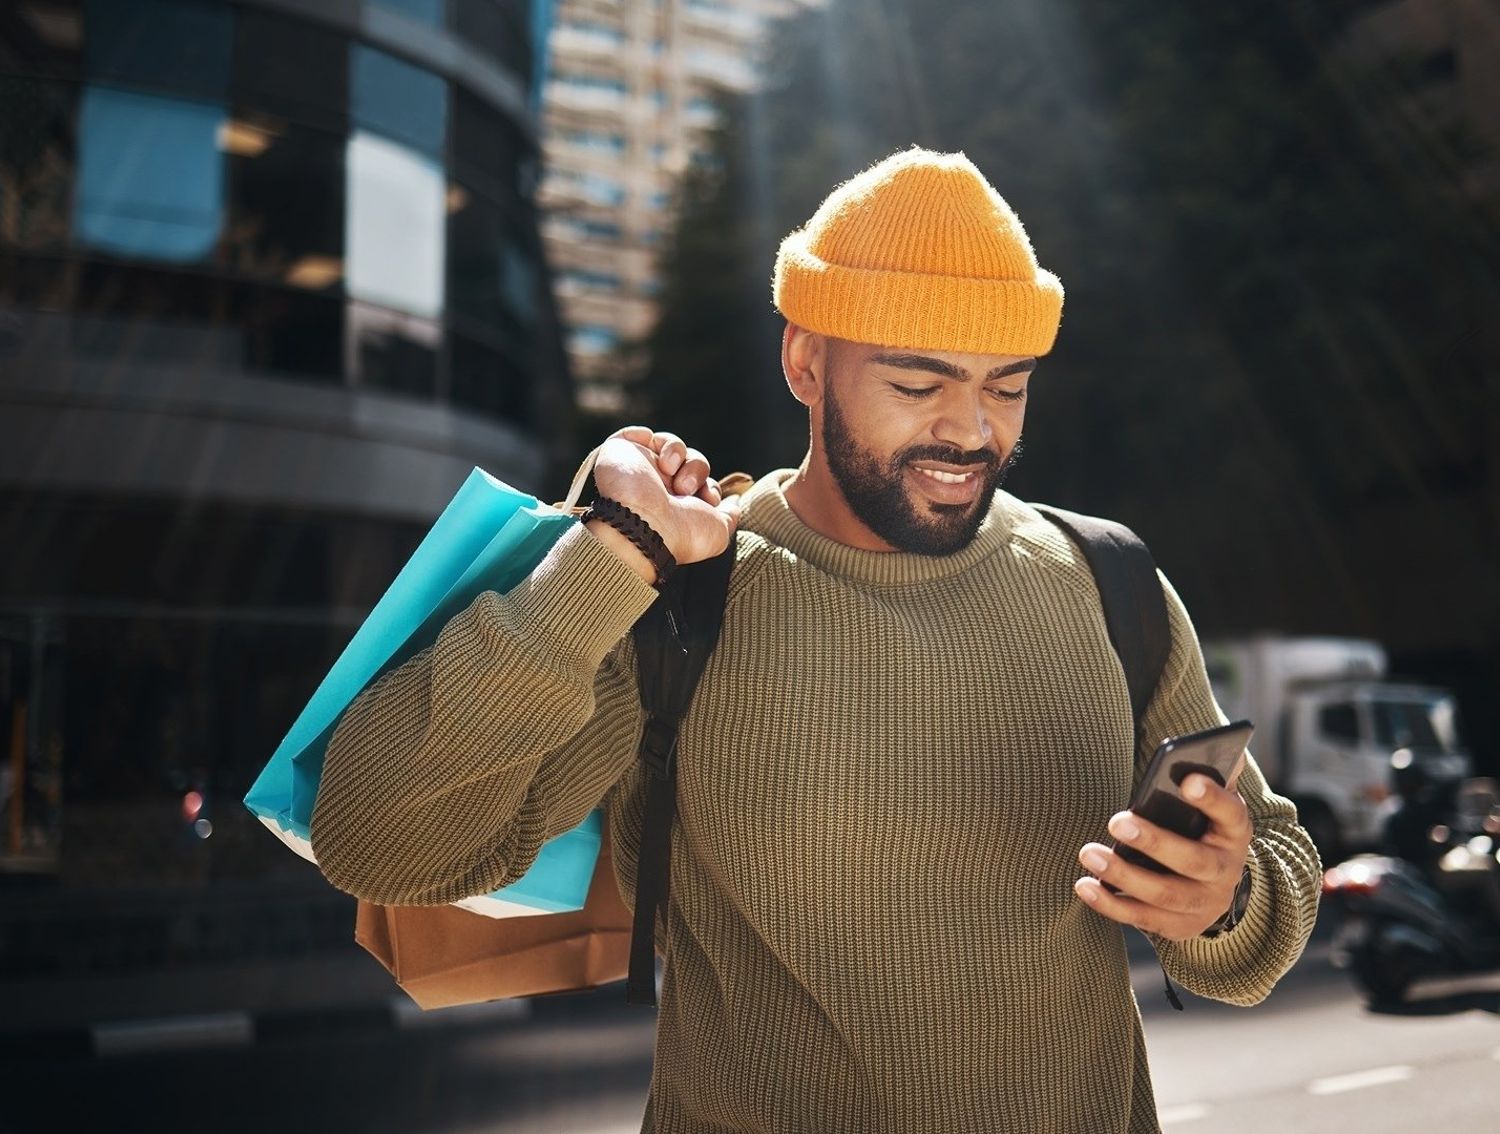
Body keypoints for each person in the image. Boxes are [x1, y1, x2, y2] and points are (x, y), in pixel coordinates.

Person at [310, 147, 1321, 1133]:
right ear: (806, 359)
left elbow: (1276, 865)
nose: (971, 433)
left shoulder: (1110, 581)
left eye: (1005, 386)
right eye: (919, 385)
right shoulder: (683, 595)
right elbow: (378, 843)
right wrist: (609, 559)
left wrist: (1225, 901)